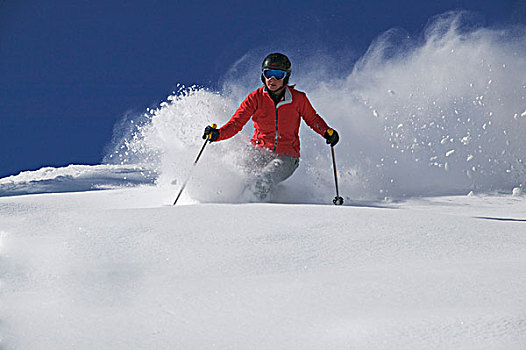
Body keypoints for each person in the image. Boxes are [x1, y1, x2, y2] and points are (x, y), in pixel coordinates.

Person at [203, 53, 339, 200]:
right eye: (268, 73)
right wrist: (217, 134)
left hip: (287, 157)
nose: (272, 79)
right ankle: (223, 204)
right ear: (263, 75)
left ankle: (253, 213)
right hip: (259, 151)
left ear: (286, 77)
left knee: (263, 180)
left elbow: (312, 119)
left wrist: (326, 132)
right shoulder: (255, 98)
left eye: (278, 74)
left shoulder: (298, 99)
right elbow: (236, 124)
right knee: (237, 172)